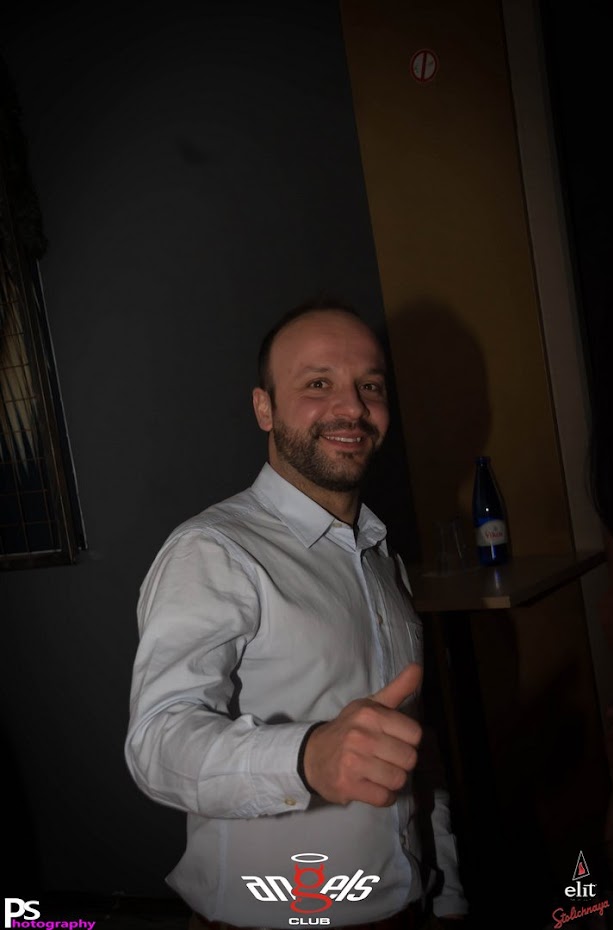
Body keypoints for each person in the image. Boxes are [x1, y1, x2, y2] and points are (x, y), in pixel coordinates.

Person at [124, 300, 469, 929]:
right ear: (265, 408)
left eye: (370, 386)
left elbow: (413, 750)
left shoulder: (379, 555)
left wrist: (444, 892)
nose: (352, 408)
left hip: (406, 906)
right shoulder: (214, 549)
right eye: (318, 384)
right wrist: (307, 758)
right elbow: (157, 742)